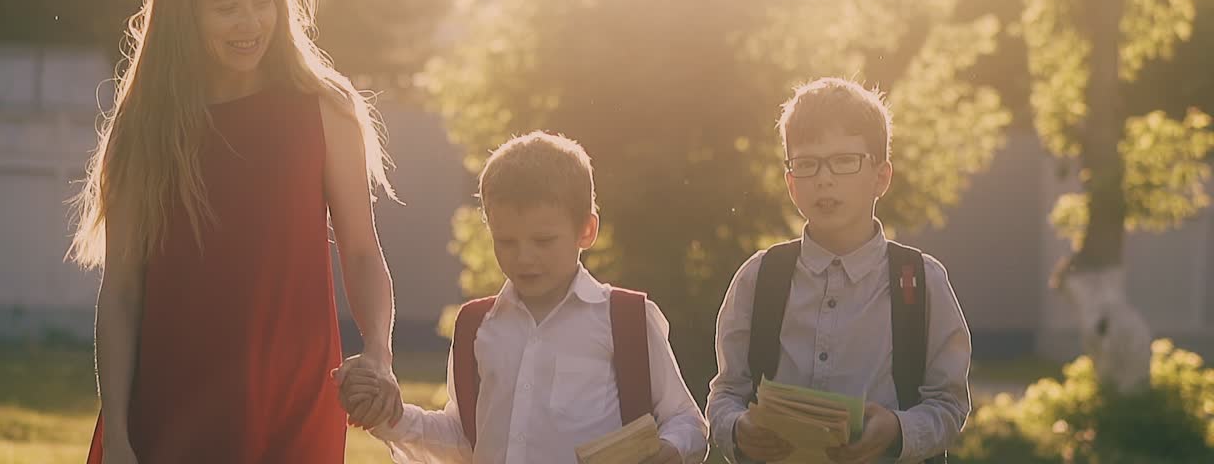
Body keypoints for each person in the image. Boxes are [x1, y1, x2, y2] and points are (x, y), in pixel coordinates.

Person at [69, 0, 402, 463]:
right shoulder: (145, 126)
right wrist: (121, 435)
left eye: (262, 2)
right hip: (172, 402)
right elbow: (122, 290)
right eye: (227, 8)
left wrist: (379, 353)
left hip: (295, 398)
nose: (251, 24)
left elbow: (363, 250)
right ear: (183, 15)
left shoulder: (326, 108)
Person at [335, 131, 708, 463]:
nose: (524, 257)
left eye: (543, 241)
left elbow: (686, 420)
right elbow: (463, 438)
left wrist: (668, 450)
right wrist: (388, 415)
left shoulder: (626, 319)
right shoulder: (476, 326)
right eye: (506, 241)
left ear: (587, 230)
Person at [707, 77, 971, 464]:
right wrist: (737, 429)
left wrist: (897, 431)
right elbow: (726, 393)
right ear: (791, 184)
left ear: (881, 177)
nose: (824, 178)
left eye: (845, 161)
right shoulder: (759, 278)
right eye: (807, 164)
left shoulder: (920, 280)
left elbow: (949, 404)